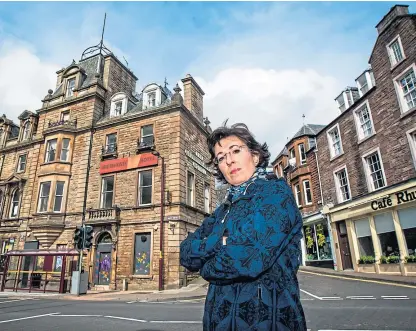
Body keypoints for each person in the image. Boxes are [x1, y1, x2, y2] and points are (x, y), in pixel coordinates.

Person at [180, 123, 307, 331]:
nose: (229, 160)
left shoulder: (276, 194)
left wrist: (204, 266)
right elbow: (185, 252)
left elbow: (248, 258)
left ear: (255, 156)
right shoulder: (221, 211)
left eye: (236, 151)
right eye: (221, 158)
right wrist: (220, 242)